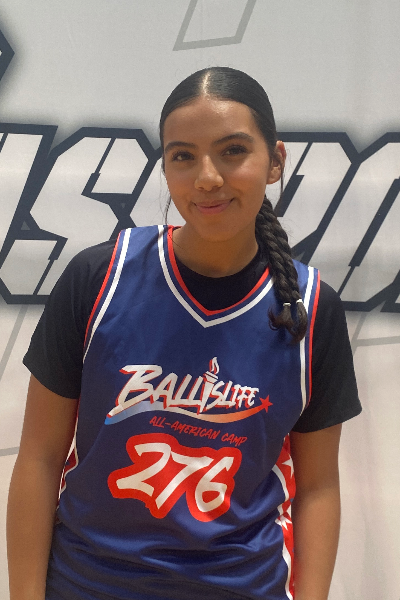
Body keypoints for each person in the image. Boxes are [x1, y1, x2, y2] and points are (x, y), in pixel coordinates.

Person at [7, 66, 361, 600]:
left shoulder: (310, 309)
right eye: (183, 156)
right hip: (89, 584)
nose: (207, 177)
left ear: (275, 162)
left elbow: (317, 489)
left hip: (242, 585)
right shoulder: (98, 278)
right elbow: (38, 459)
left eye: (233, 151)